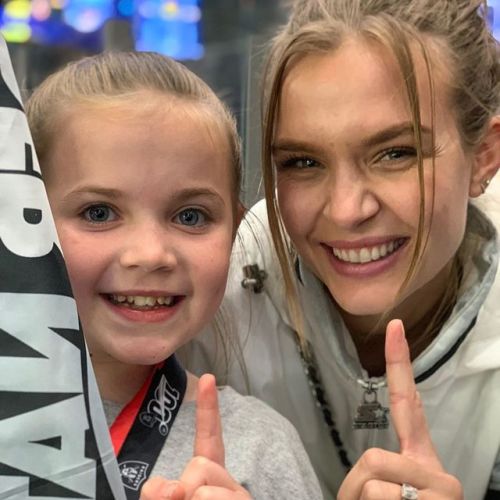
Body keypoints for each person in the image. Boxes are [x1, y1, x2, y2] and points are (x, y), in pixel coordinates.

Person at [180, 0, 500, 498]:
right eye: (303, 162)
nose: (347, 210)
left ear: (485, 155)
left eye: (396, 153)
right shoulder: (212, 285)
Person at [25, 51, 322, 500]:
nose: (151, 254)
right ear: (25, 223)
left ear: (235, 232)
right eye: (99, 212)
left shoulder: (258, 450)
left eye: (190, 216)